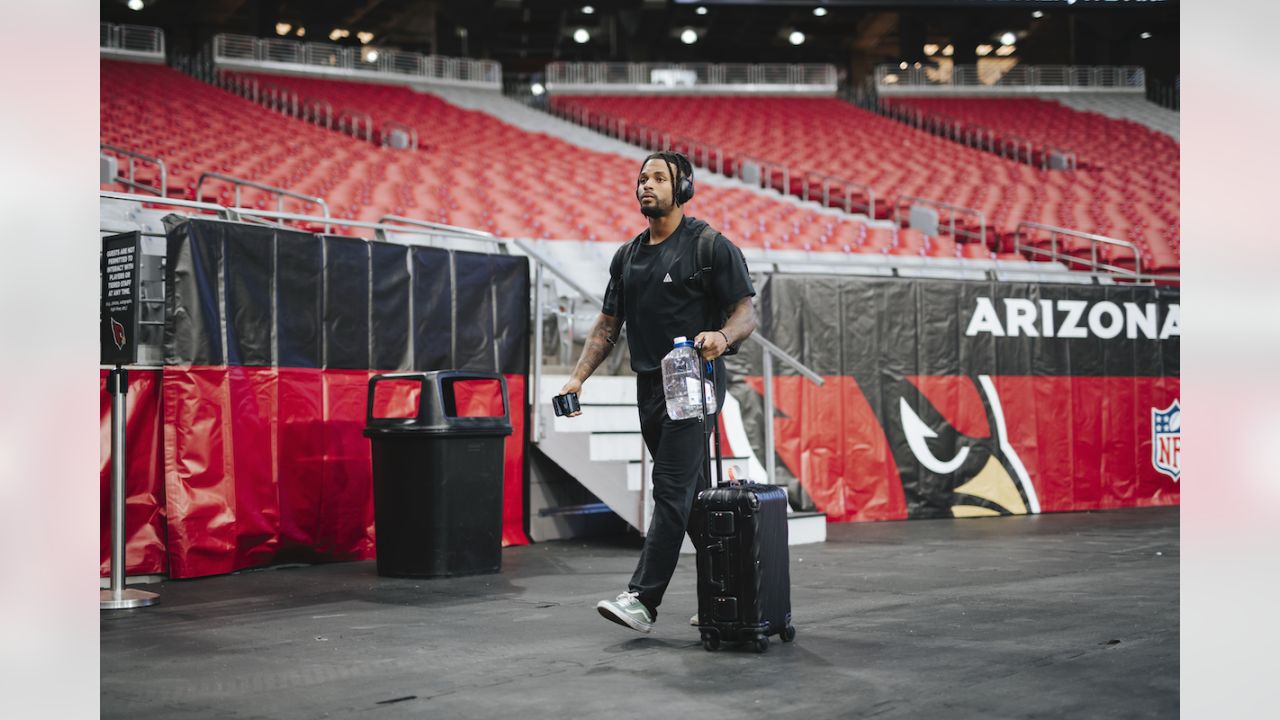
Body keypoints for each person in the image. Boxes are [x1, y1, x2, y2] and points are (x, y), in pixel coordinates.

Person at [557, 150, 758, 633]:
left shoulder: (710, 246)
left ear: (682, 188)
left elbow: (746, 314)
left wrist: (723, 337)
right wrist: (577, 378)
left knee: (669, 490)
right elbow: (608, 326)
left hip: (695, 383)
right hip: (649, 386)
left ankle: (643, 599)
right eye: (641, 178)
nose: (645, 185)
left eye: (657, 178)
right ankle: (728, 590)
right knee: (686, 501)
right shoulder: (627, 256)